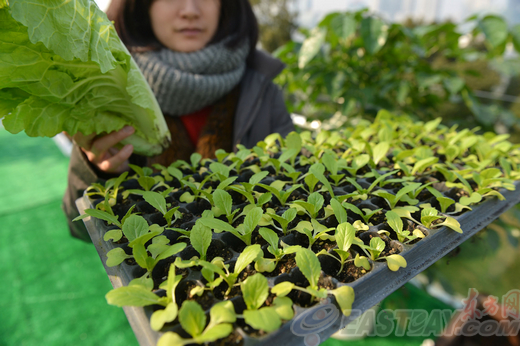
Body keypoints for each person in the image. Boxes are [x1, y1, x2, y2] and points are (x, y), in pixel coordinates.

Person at [62, 0, 295, 241]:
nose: (190, 11)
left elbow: (294, 190)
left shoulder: (263, 89)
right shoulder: (109, 89)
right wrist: (97, 172)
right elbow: (79, 228)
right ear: (141, 7)